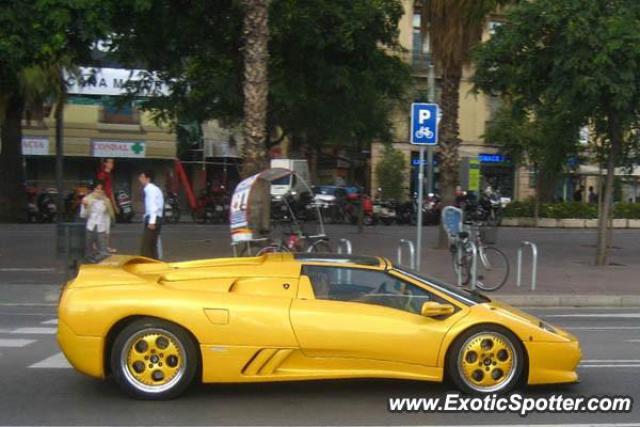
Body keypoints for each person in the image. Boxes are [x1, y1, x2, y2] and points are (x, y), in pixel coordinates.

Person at [80, 180, 115, 263]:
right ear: (93, 189)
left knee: (104, 252)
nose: (99, 191)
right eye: (97, 189)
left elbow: (107, 217)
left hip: (101, 228)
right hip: (90, 227)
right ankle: (89, 266)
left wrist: (107, 232)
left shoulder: (106, 201)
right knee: (88, 252)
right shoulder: (87, 199)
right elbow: (82, 215)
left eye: (101, 189)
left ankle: (96, 262)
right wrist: (85, 206)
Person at [139, 170, 164, 259]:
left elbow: (153, 206)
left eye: (142, 177)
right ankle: (155, 263)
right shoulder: (153, 189)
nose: (140, 179)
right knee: (152, 245)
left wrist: (152, 221)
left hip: (153, 218)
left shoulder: (150, 189)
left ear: (148, 179)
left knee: (146, 246)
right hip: (155, 217)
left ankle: (147, 265)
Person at [96, 158, 119, 253]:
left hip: (108, 201)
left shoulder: (110, 175)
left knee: (107, 224)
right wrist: (102, 200)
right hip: (102, 202)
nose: (111, 164)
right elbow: (99, 188)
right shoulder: (102, 175)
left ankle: (106, 246)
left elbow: (111, 191)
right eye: (109, 162)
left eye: (112, 162)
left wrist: (114, 205)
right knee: (100, 223)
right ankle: (97, 245)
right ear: (105, 164)